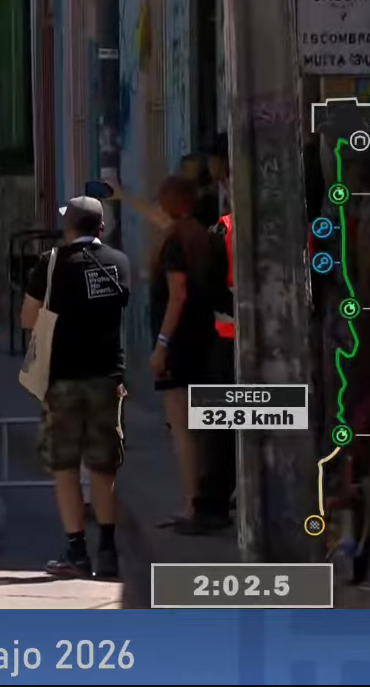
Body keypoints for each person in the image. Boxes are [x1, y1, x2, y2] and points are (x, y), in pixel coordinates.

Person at [20, 197, 130, 578]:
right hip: (107, 377)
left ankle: (77, 552)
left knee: (65, 466)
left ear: (69, 229)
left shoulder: (50, 263)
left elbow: (28, 318)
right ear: (101, 228)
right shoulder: (119, 262)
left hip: (62, 378)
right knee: (103, 466)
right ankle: (109, 550)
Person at [150, 176, 217, 524]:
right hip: (201, 338)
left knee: (182, 427)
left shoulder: (177, 243)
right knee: (197, 426)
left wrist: (161, 345)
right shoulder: (199, 235)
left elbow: (177, 294)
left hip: (178, 343)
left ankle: (192, 502)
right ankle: (201, 498)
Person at [178, 210, 237, 536]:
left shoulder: (224, 228)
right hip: (286, 343)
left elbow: (205, 286)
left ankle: (213, 505)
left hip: (230, 341)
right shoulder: (305, 219)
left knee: (219, 428)